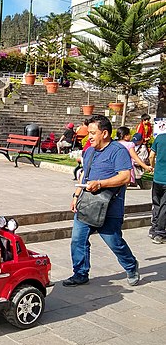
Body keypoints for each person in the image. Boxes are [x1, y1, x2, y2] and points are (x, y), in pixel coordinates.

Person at [63, 114, 140, 287]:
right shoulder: (90, 150)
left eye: (92, 132)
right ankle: (80, 273)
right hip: (87, 203)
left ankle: (131, 265)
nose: (88, 136)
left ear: (104, 133)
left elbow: (126, 177)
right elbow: (84, 174)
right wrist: (76, 195)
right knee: (78, 239)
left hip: (109, 206)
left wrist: (100, 184)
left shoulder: (118, 151)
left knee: (114, 242)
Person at [149, 131, 166, 243]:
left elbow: (151, 156)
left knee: (156, 204)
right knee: (164, 206)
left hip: (157, 178)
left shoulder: (159, 138)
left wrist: (153, 167)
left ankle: (153, 229)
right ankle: (160, 233)